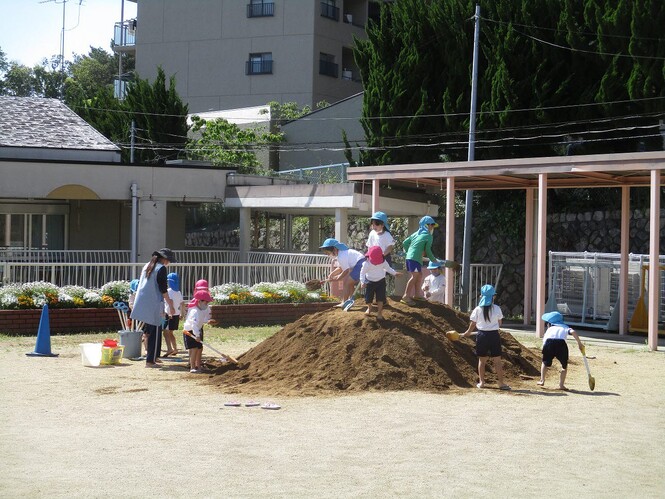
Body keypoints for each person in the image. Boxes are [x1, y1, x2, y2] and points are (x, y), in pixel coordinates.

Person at [130, 248, 177, 368]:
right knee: (155, 332)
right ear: (164, 259)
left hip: (143, 301)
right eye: (168, 260)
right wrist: (170, 305)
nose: (168, 262)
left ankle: (154, 357)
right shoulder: (160, 268)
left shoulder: (147, 265)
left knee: (151, 330)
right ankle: (150, 361)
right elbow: (163, 289)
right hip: (153, 302)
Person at [461, 284, 510, 390]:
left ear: (481, 296)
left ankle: (482, 382)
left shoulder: (477, 309)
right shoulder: (497, 308)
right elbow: (500, 323)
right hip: (494, 336)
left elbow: (473, 324)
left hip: (482, 335)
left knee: (482, 361)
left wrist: (468, 332)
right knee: (497, 361)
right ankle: (501, 383)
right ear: (493, 297)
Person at [401, 216, 457, 305]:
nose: (431, 227)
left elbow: (405, 243)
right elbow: (427, 250)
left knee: (419, 275)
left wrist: (410, 252)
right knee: (415, 276)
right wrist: (433, 260)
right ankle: (406, 296)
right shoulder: (428, 236)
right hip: (414, 258)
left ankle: (417, 294)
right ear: (425, 225)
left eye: (433, 225)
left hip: (413, 258)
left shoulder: (416, 234)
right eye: (430, 225)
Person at [538, 311, 584, 390]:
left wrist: (544, 348)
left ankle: (542, 380)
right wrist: (579, 343)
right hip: (561, 344)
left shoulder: (550, 329)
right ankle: (561, 385)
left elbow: (545, 340)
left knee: (545, 363)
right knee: (564, 366)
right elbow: (573, 332)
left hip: (549, 343)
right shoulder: (565, 327)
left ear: (550, 323)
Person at [319, 238, 366, 307]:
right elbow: (341, 268)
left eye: (328, 253)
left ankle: (344, 302)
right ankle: (350, 302)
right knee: (350, 283)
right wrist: (331, 274)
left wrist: (338, 278)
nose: (328, 255)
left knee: (347, 283)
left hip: (360, 265)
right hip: (360, 264)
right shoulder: (341, 254)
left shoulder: (341, 256)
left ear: (334, 249)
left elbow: (346, 270)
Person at [360, 246, 401, 320]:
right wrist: (362, 282)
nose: (376, 263)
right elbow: (362, 273)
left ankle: (379, 313)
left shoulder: (383, 261)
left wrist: (395, 273)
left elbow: (388, 269)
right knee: (368, 298)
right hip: (370, 282)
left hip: (381, 281)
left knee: (380, 298)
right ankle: (369, 308)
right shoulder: (366, 263)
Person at [183, 289, 213, 373]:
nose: (207, 304)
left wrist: (207, 321)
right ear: (199, 301)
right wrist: (197, 336)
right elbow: (194, 324)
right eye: (206, 302)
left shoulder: (201, 310)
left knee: (199, 348)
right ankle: (192, 367)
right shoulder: (194, 311)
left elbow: (201, 320)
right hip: (190, 331)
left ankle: (198, 366)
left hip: (196, 330)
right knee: (194, 349)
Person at [162, 272, 183, 357]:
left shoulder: (169, 291)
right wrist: (182, 313)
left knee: (165, 332)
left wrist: (171, 311)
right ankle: (175, 349)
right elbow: (182, 303)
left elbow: (170, 302)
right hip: (177, 315)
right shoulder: (178, 292)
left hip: (169, 314)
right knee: (171, 333)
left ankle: (169, 349)